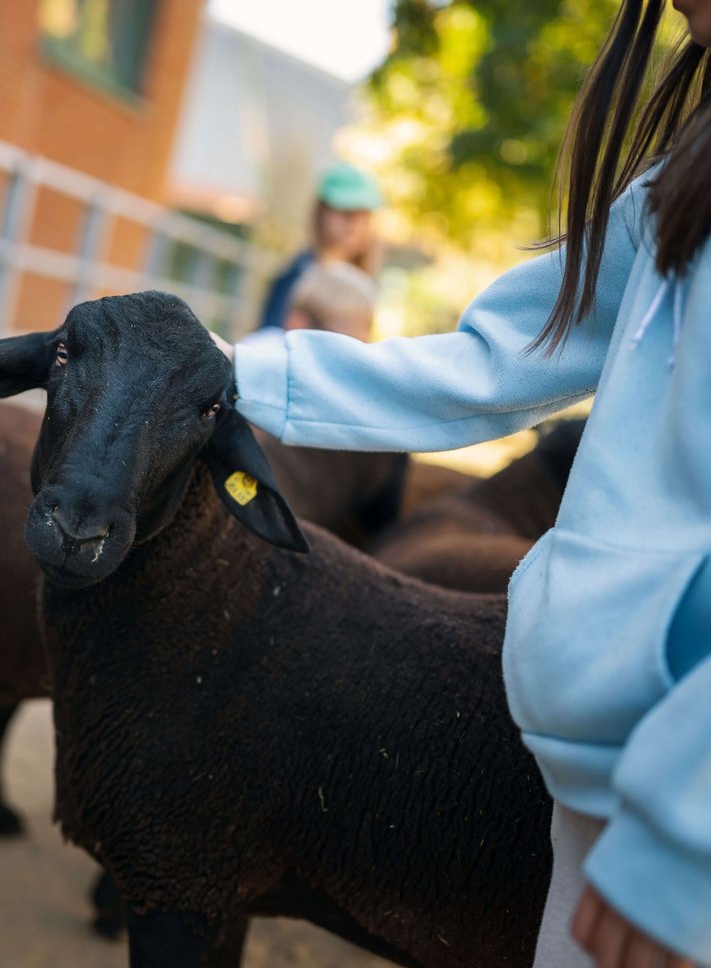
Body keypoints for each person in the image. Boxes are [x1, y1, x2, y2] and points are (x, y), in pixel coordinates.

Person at [212, 0, 711, 964]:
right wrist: (238, 369)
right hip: (614, 783)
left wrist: (683, 825)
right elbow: (497, 360)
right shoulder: (680, 177)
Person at [258, 161, 382, 331]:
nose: (355, 226)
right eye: (346, 214)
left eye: (364, 217)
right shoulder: (297, 275)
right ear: (322, 212)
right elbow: (270, 337)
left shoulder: (362, 283)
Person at [241, 260, 378, 350]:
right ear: (298, 323)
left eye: (361, 348)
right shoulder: (262, 352)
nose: (350, 358)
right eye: (341, 345)